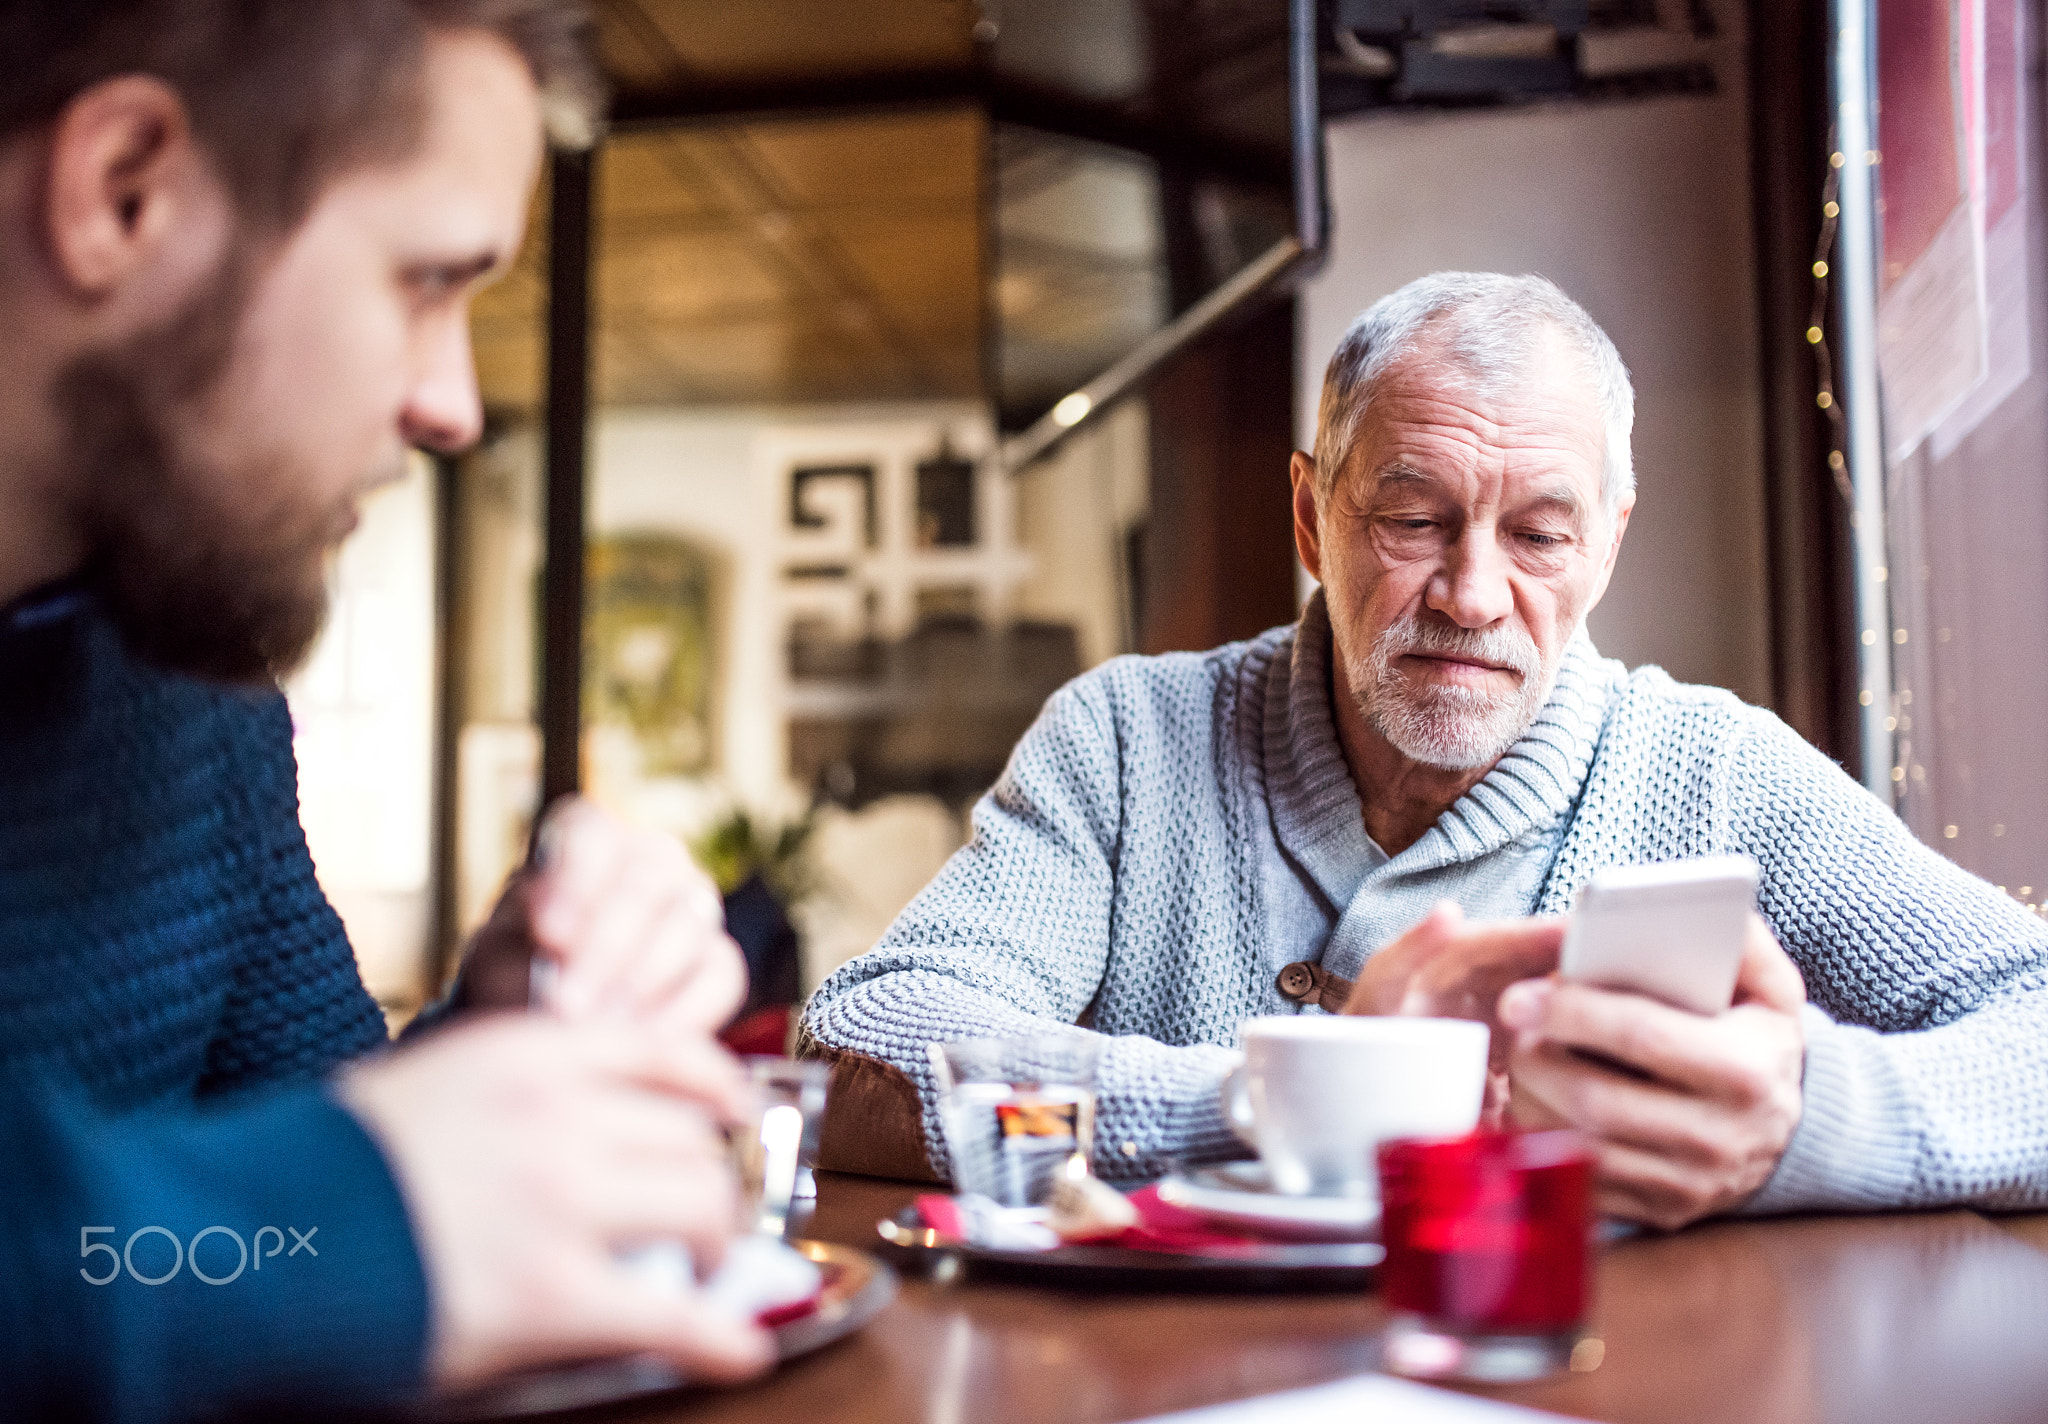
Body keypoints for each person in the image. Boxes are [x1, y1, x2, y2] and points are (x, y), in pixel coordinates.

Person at [802, 271, 2048, 1228]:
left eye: (1539, 536)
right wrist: (1280, 1100)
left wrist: (1796, 1123)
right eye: (1412, 518)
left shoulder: (1713, 771)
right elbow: (864, 1039)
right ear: (1309, 514)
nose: (1471, 592)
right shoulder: (1126, 742)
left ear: (1606, 542)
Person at [0, 2, 772, 1417]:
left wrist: (506, 1032)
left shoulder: (194, 676)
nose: (453, 405)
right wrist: (369, 1212)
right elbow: (300, 1221)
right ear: (124, 192)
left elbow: (278, 1189)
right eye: (427, 281)